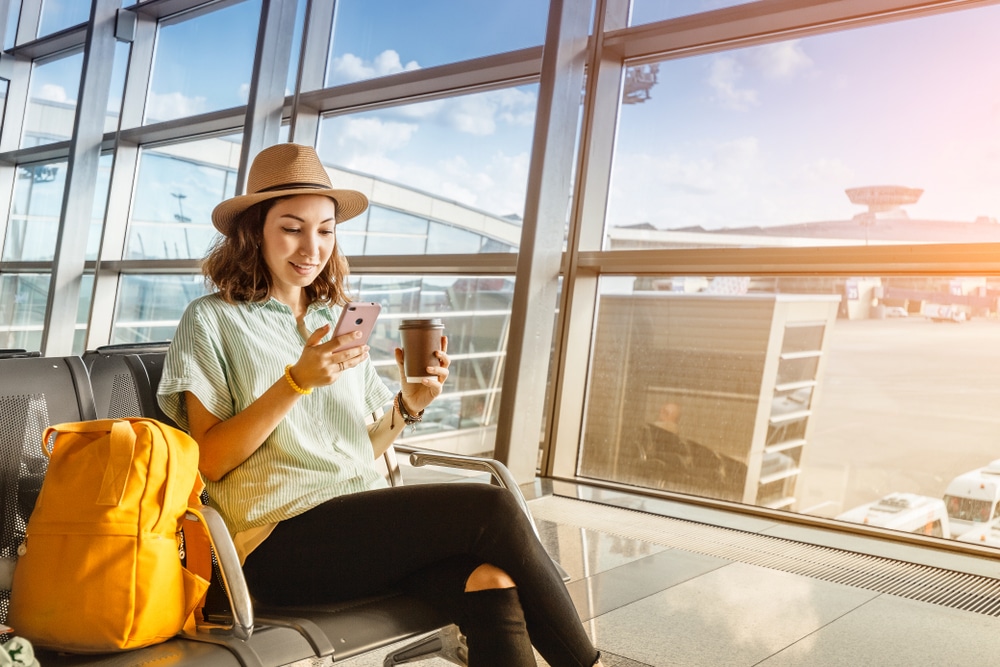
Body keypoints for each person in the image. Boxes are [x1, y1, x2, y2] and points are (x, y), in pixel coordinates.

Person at [157, 143, 603, 667]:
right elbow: (209, 460)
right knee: (493, 507)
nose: (312, 246)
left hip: (355, 529)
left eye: (325, 230)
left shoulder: (335, 316)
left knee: (492, 582)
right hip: (272, 543)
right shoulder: (210, 319)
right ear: (254, 231)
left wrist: (407, 408)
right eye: (292, 227)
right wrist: (293, 384)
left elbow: (354, 448)